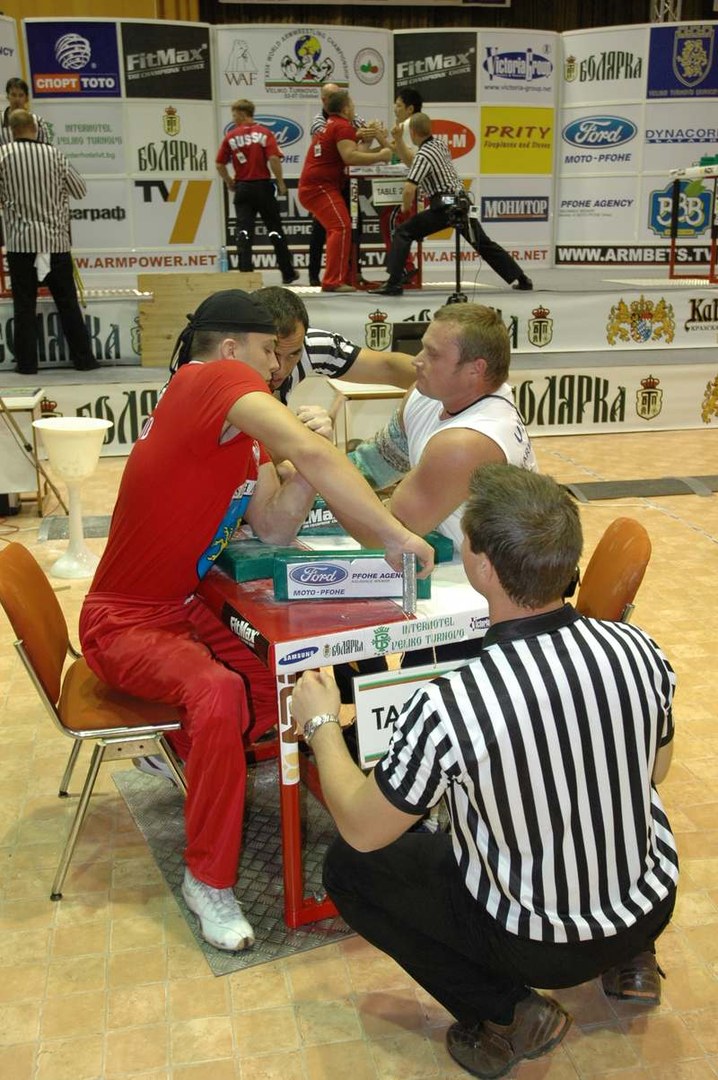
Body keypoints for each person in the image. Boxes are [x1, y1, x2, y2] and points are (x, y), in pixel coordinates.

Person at [291, 463, 678, 1079]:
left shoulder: (454, 702)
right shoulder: (641, 650)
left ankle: (507, 1012)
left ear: (482, 568)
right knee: (610, 792)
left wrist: (320, 725)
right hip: (649, 906)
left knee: (350, 868)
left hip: (538, 947)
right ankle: (632, 959)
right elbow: (654, 769)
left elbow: (365, 830)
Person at [79, 289, 433, 954]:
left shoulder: (233, 432)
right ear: (234, 346)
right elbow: (316, 459)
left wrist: (300, 463)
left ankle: (331, 800)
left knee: (284, 662)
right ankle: (206, 878)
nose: (278, 366)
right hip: (123, 623)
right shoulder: (209, 378)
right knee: (215, 695)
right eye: (272, 351)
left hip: (177, 609)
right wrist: (389, 534)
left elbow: (273, 521)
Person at [376, 113, 533, 296]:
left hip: (444, 205)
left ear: (412, 132)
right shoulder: (439, 145)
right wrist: (398, 140)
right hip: (462, 202)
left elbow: (409, 188)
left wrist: (404, 208)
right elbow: (412, 161)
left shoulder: (424, 154)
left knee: (403, 231)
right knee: (484, 243)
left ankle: (393, 283)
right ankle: (522, 279)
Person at [0, 110, 97, 375]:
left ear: (11, 129)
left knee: (24, 306)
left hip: (21, 242)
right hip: (55, 241)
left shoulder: (3, 155)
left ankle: (27, 365)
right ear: (34, 127)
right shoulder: (54, 154)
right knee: (67, 303)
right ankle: (84, 360)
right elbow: (79, 189)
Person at [251, 285, 416, 404]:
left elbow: (388, 368)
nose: (281, 368)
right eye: (272, 353)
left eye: (294, 354)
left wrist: (438, 382)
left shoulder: (313, 345)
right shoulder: (233, 363)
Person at [298, 89, 392, 293]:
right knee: (341, 226)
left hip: (317, 186)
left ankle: (339, 277)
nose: (354, 109)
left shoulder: (333, 125)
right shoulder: (342, 127)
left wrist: (370, 143)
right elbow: (351, 157)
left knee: (341, 227)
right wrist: (381, 155)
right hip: (319, 187)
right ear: (346, 108)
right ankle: (332, 281)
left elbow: (357, 153)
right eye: (353, 106)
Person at [216, 99, 298, 284]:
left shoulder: (231, 136)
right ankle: (288, 273)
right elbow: (274, 159)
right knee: (275, 230)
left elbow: (219, 163)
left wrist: (229, 181)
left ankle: (246, 274)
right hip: (263, 187)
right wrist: (280, 182)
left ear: (243, 113)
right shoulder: (264, 132)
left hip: (243, 188)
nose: (234, 118)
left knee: (244, 232)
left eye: (235, 114)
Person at [307, 83, 373, 287]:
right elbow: (349, 153)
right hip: (325, 184)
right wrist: (378, 151)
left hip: (340, 182)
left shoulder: (340, 123)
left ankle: (349, 273)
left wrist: (366, 134)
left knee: (350, 226)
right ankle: (324, 277)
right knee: (333, 228)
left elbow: (358, 139)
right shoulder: (333, 124)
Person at [378, 88, 424, 285]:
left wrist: (380, 137)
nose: (395, 109)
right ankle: (406, 267)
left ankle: (405, 268)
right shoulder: (412, 126)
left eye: (398, 106)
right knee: (394, 223)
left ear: (410, 108)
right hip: (410, 186)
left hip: (411, 187)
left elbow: (404, 157)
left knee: (392, 223)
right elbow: (397, 150)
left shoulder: (407, 126)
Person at [1, 78, 50, 145]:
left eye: (21, 95)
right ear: (7, 96)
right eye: (13, 95)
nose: (17, 99)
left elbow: (45, 149)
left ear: (26, 98)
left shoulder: (38, 122)